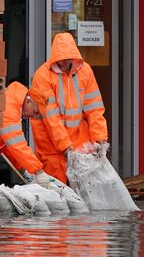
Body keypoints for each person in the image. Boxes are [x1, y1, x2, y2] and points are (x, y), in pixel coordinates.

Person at [29, 32, 108, 184]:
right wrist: (66, 147)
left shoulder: (85, 71)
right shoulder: (43, 76)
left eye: (68, 57)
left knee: (85, 187)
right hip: (51, 145)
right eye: (61, 58)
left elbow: (95, 109)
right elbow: (51, 119)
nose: (64, 62)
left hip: (79, 140)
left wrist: (100, 139)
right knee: (58, 188)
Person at [0, 81, 56, 188]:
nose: (33, 116)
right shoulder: (9, 106)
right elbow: (16, 144)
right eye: (35, 112)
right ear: (28, 101)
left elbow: (8, 146)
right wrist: (38, 171)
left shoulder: (12, 102)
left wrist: (23, 168)